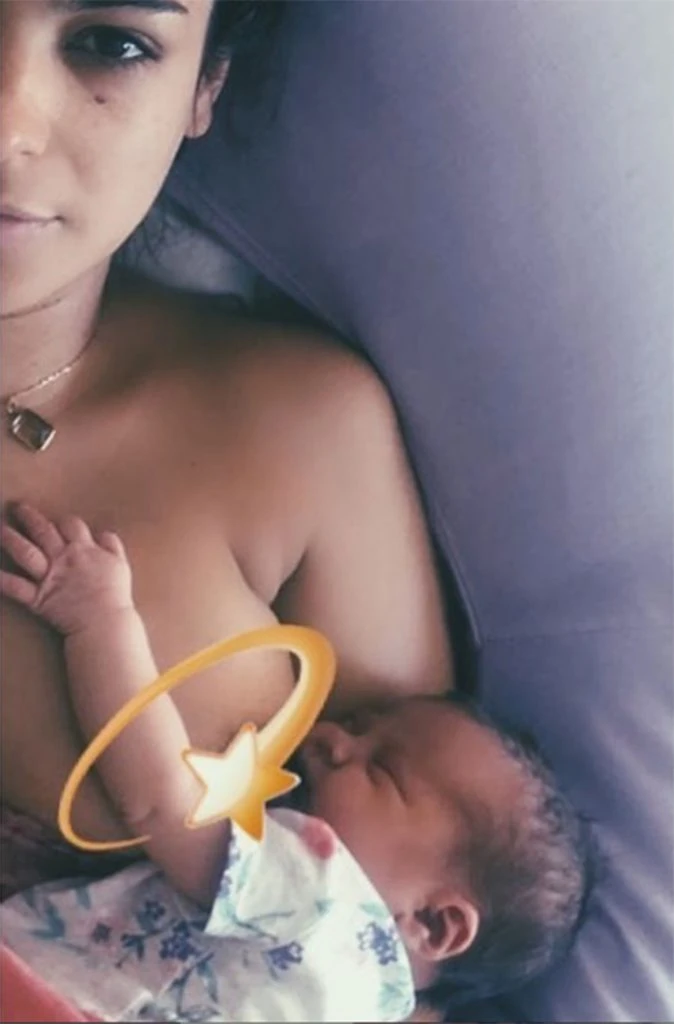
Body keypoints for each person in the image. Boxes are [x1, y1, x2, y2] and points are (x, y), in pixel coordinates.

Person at [0, 0, 453, 899]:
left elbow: (403, 922)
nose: (9, 124)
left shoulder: (300, 435)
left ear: (205, 86)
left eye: (112, 43)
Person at [0, 504, 588, 1023]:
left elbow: (158, 796)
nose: (329, 737)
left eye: (382, 770)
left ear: (434, 923)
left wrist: (101, 621)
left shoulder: (325, 905)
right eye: (359, 726)